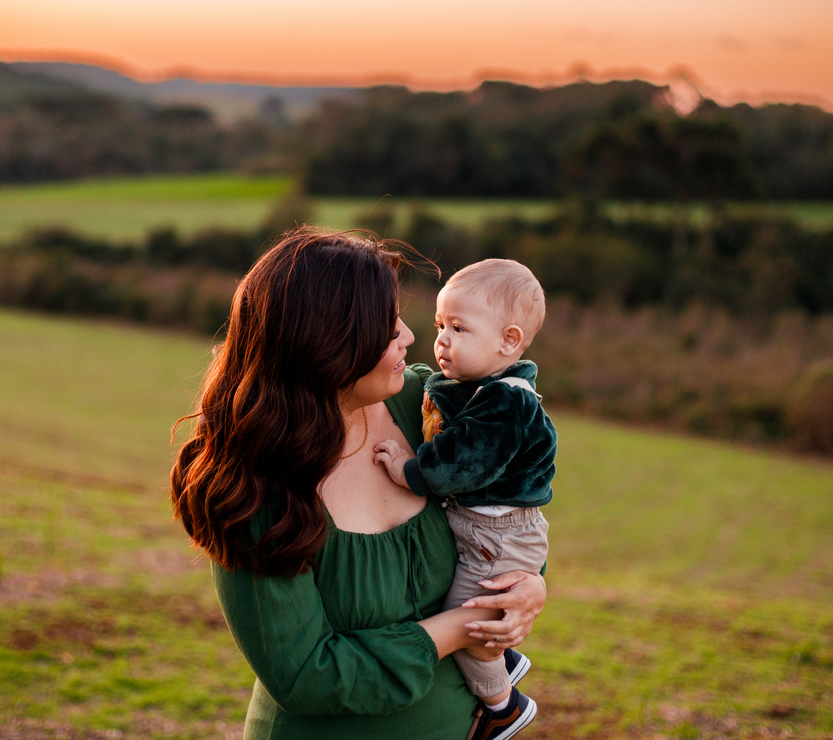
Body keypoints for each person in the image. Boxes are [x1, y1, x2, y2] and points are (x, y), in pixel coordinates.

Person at [170, 231, 547, 740]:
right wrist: (459, 628)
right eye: (384, 324)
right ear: (326, 343)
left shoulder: (425, 405)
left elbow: (503, 508)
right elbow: (305, 675)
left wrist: (531, 585)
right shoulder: (252, 486)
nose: (408, 336)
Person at [374, 259, 557, 740]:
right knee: (475, 615)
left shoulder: (505, 402)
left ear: (509, 341)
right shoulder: (474, 389)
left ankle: (503, 706)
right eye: (439, 325)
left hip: (498, 534)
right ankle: (505, 661)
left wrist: (405, 469)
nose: (440, 340)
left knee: (466, 624)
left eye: (458, 328)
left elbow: (461, 465)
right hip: (491, 530)